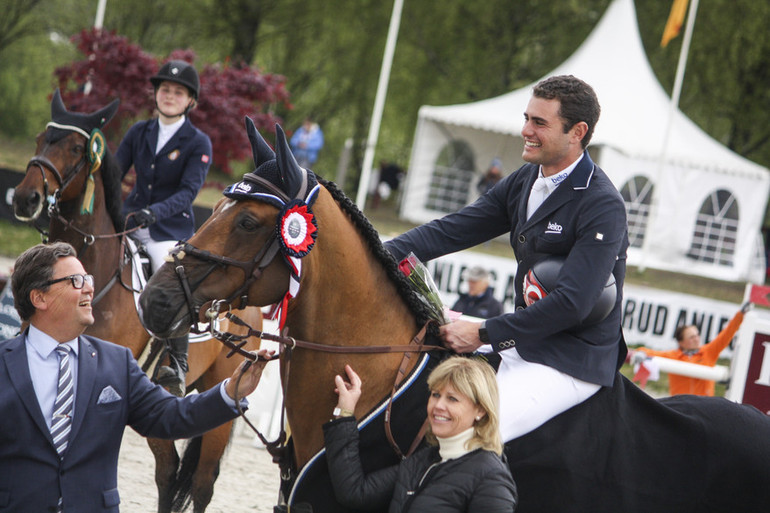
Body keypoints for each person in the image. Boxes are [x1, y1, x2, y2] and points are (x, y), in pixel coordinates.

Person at [385, 75, 629, 442]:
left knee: (466, 429)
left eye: (539, 123)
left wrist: (483, 332)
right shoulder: (524, 180)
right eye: (527, 118)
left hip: (570, 358)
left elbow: (573, 304)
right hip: (523, 341)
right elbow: (451, 230)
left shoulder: (602, 204)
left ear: (577, 131)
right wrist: (377, 252)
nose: (525, 130)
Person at [0, 242, 272, 512]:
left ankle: (176, 360)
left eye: (88, 279)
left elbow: (170, 417)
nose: (89, 287)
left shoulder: (116, 362)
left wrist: (230, 392)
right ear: (40, 298)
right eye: (75, 280)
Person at [116, 59, 213, 395]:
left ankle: (177, 361)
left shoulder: (198, 142)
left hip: (167, 229)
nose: (170, 96)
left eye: (178, 92)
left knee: (169, 273)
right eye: (165, 90)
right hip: (128, 221)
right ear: (156, 94)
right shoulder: (138, 132)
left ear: (190, 101)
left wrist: (153, 214)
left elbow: (188, 193)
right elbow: (114, 176)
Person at [323, 356, 517, 512]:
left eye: (452, 399)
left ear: (480, 410)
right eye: (435, 394)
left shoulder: (490, 476)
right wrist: (344, 413)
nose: (438, 406)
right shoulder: (422, 461)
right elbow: (355, 493)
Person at [631, 302, 750, 396]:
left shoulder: (709, 351)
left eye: (697, 335)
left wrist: (740, 315)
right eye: (692, 337)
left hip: (705, 408)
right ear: (681, 342)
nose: (697, 339)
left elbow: (726, 335)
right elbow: (651, 352)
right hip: (680, 408)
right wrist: (641, 352)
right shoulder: (673, 355)